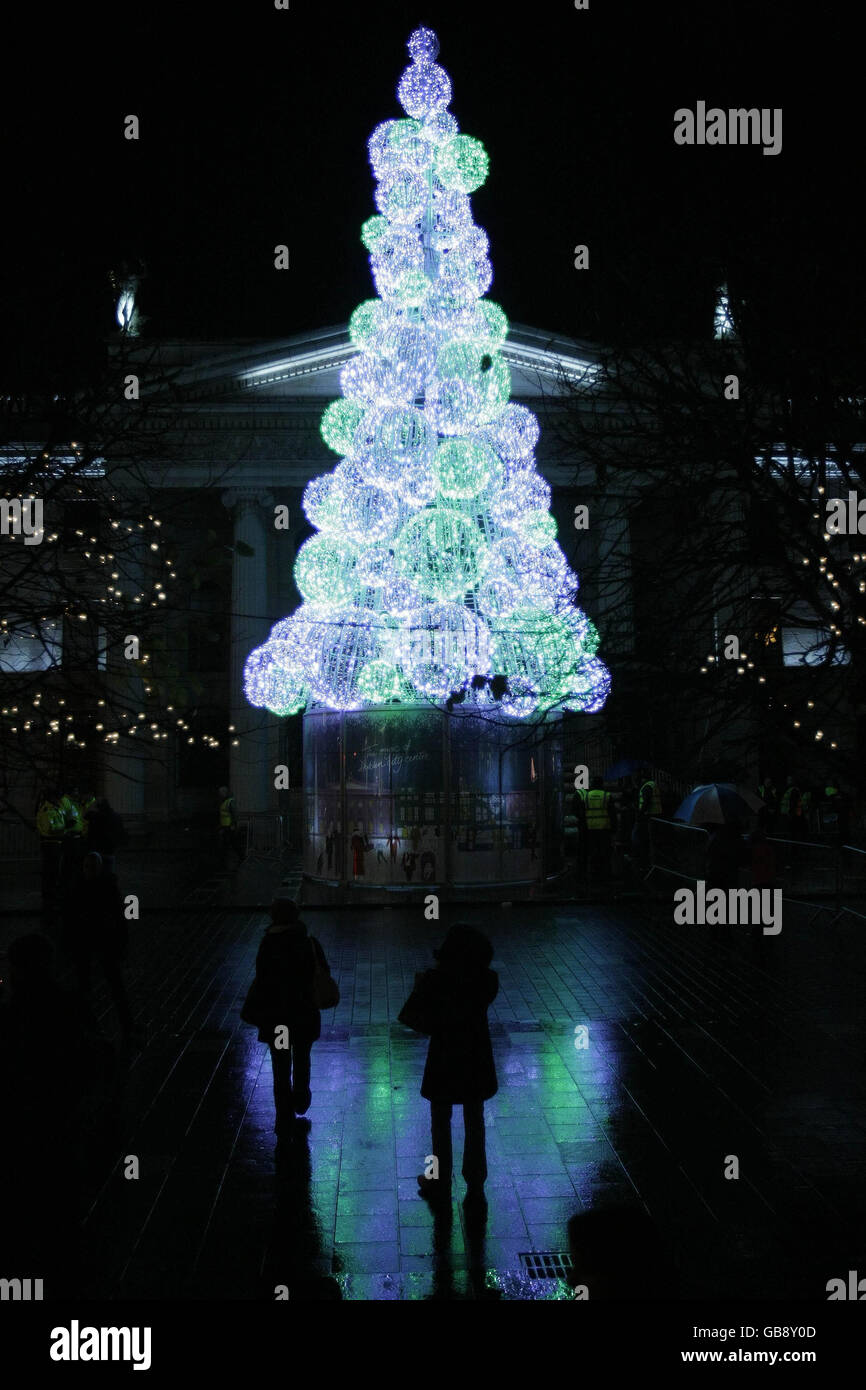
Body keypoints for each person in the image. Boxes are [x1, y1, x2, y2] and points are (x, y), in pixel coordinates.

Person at [409, 924, 498, 1208]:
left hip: (444, 1058)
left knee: (440, 1121)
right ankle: (475, 1179)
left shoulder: (436, 981)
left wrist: (419, 987)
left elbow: (417, 1020)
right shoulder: (487, 980)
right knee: (475, 1118)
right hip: (476, 1057)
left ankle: (439, 1179)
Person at [247, 899, 331, 1151]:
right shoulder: (308, 942)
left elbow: (261, 978)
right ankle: (301, 1098)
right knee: (302, 1057)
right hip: (303, 1015)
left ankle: (283, 1117)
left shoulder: (268, 944)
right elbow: (323, 971)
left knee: (280, 1066)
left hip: (277, 1018)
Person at [61, 851, 133, 1040]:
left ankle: (88, 1026)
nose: (89, 871)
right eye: (87, 867)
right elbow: (119, 917)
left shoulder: (78, 887)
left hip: (89, 939)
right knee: (113, 984)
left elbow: (69, 916)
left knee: (88, 984)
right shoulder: (107, 886)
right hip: (101, 939)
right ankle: (126, 1024)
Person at [36, 786, 66, 922]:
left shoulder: (55, 808)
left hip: (55, 844)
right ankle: (49, 902)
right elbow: (52, 828)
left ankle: (51, 900)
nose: (60, 800)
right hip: (50, 844)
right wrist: (66, 828)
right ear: (52, 798)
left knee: (54, 873)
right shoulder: (47, 810)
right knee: (50, 873)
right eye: (57, 797)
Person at [583, 775, 617, 883]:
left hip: (591, 828)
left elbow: (583, 813)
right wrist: (614, 828)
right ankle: (605, 875)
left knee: (593, 852)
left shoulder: (587, 796)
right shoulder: (607, 796)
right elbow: (613, 814)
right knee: (605, 852)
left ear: (593, 784)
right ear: (601, 784)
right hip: (604, 828)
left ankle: (594, 874)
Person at [85, 796, 126, 873]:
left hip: (98, 848)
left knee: (97, 872)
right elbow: (121, 832)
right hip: (110, 848)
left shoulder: (96, 816)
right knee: (109, 870)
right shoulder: (116, 816)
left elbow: (85, 815)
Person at [217, 785, 240, 862]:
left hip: (229, 826)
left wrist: (233, 825)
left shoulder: (229, 802)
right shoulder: (224, 802)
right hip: (225, 826)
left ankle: (240, 857)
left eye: (221, 792)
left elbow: (234, 814)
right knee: (227, 844)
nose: (220, 794)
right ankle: (225, 859)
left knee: (232, 843)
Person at [780, 775, 804, 840]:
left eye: (789, 780)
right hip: (789, 813)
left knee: (791, 832)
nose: (788, 781)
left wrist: (790, 813)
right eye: (788, 780)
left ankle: (792, 847)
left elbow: (793, 803)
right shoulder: (789, 789)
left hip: (790, 814)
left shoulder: (793, 790)